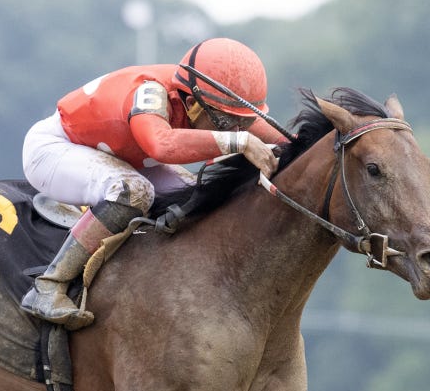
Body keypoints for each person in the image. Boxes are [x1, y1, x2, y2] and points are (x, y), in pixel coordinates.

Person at [21, 37, 286, 330]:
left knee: (194, 197)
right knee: (134, 192)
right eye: (227, 123)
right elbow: (161, 146)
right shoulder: (150, 92)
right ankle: (48, 285)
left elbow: (281, 139)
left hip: (123, 157)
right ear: (192, 104)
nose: (236, 130)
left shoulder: (208, 99)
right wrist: (239, 142)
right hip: (55, 149)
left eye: (242, 123)